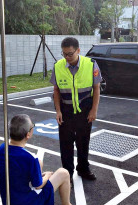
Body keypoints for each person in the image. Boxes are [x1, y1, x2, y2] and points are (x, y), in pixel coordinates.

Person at [0, 114, 84, 205]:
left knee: (40, 162)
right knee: (63, 173)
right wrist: (47, 175)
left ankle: (38, 190)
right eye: (32, 126)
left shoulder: (2, 148)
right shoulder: (30, 158)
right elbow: (38, 185)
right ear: (28, 134)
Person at [50, 37, 102, 185]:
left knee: (83, 141)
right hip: (66, 110)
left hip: (85, 110)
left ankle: (83, 168)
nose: (67, 57)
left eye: (70, 54)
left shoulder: (91, 64)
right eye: (64, 54)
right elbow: (56, 90)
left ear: (78, 51)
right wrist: (58, 111)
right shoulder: (58, 66)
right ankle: (67, 175)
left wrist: (94, 110)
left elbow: (96, 88)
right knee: (65, 145)